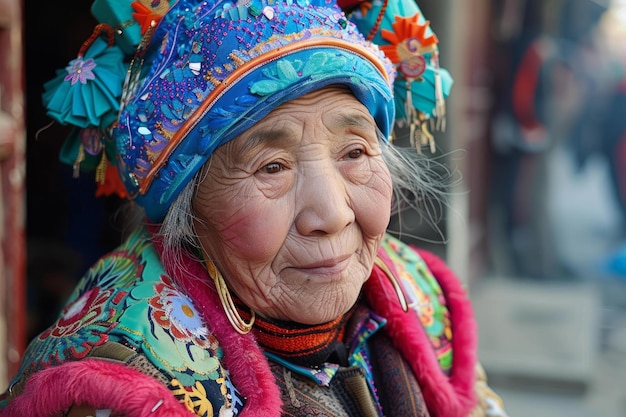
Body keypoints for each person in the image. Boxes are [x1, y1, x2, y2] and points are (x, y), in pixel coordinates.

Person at [1, 0, 508, 416]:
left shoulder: (417, 294)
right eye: (272, 167)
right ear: (187, 211)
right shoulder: (121, 380)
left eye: (354, 152)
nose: (332, 215)